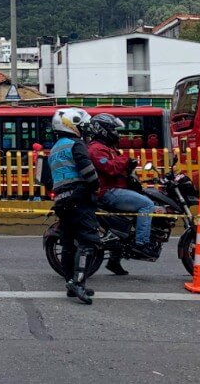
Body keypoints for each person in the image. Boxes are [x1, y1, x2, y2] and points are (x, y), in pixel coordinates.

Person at [87, 113, 159, 275]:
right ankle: (142, 243)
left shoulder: (107, 147)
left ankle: (114, 261)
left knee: (122, 225)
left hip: (117, 189)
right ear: (102, 130)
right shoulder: (96, 149)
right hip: (107, 192)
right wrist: (126, 161)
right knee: (146, 204)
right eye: (113, 129)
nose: (116, 133)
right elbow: (110, 168)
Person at [43, 108, 101, 305]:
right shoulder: (76, 145)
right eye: (82, 126)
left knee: (68, 243)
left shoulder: (55, 149)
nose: (84, 130)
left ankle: (70, 282)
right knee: (88, 241)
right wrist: (95, 187)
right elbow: (88, 171)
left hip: (62, 201)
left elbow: (48, 181)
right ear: (71, 125)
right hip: (79, 197)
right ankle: (78, 283)